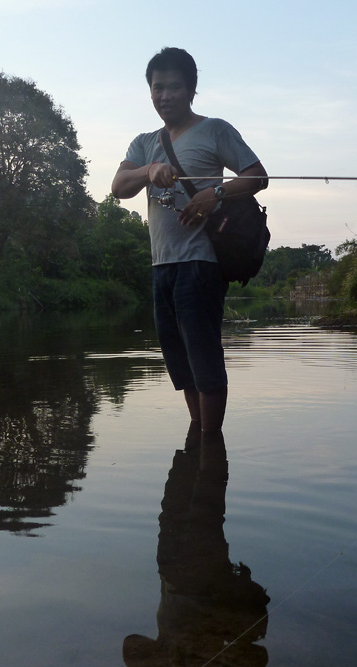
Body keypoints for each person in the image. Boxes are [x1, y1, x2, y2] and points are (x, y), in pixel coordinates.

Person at [111, 47, 268, 437]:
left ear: (191, 90)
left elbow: (257, 176)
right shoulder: (144, 144)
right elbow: (118, 188)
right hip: (160, 266)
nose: (165, 95)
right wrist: (150, 170)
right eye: (157, 87)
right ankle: (197, 436)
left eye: (174, 87)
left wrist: (215, 194)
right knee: (179, 362)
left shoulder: (214, 129)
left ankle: (209, 447)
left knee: (204, 359)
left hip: (200, 264)